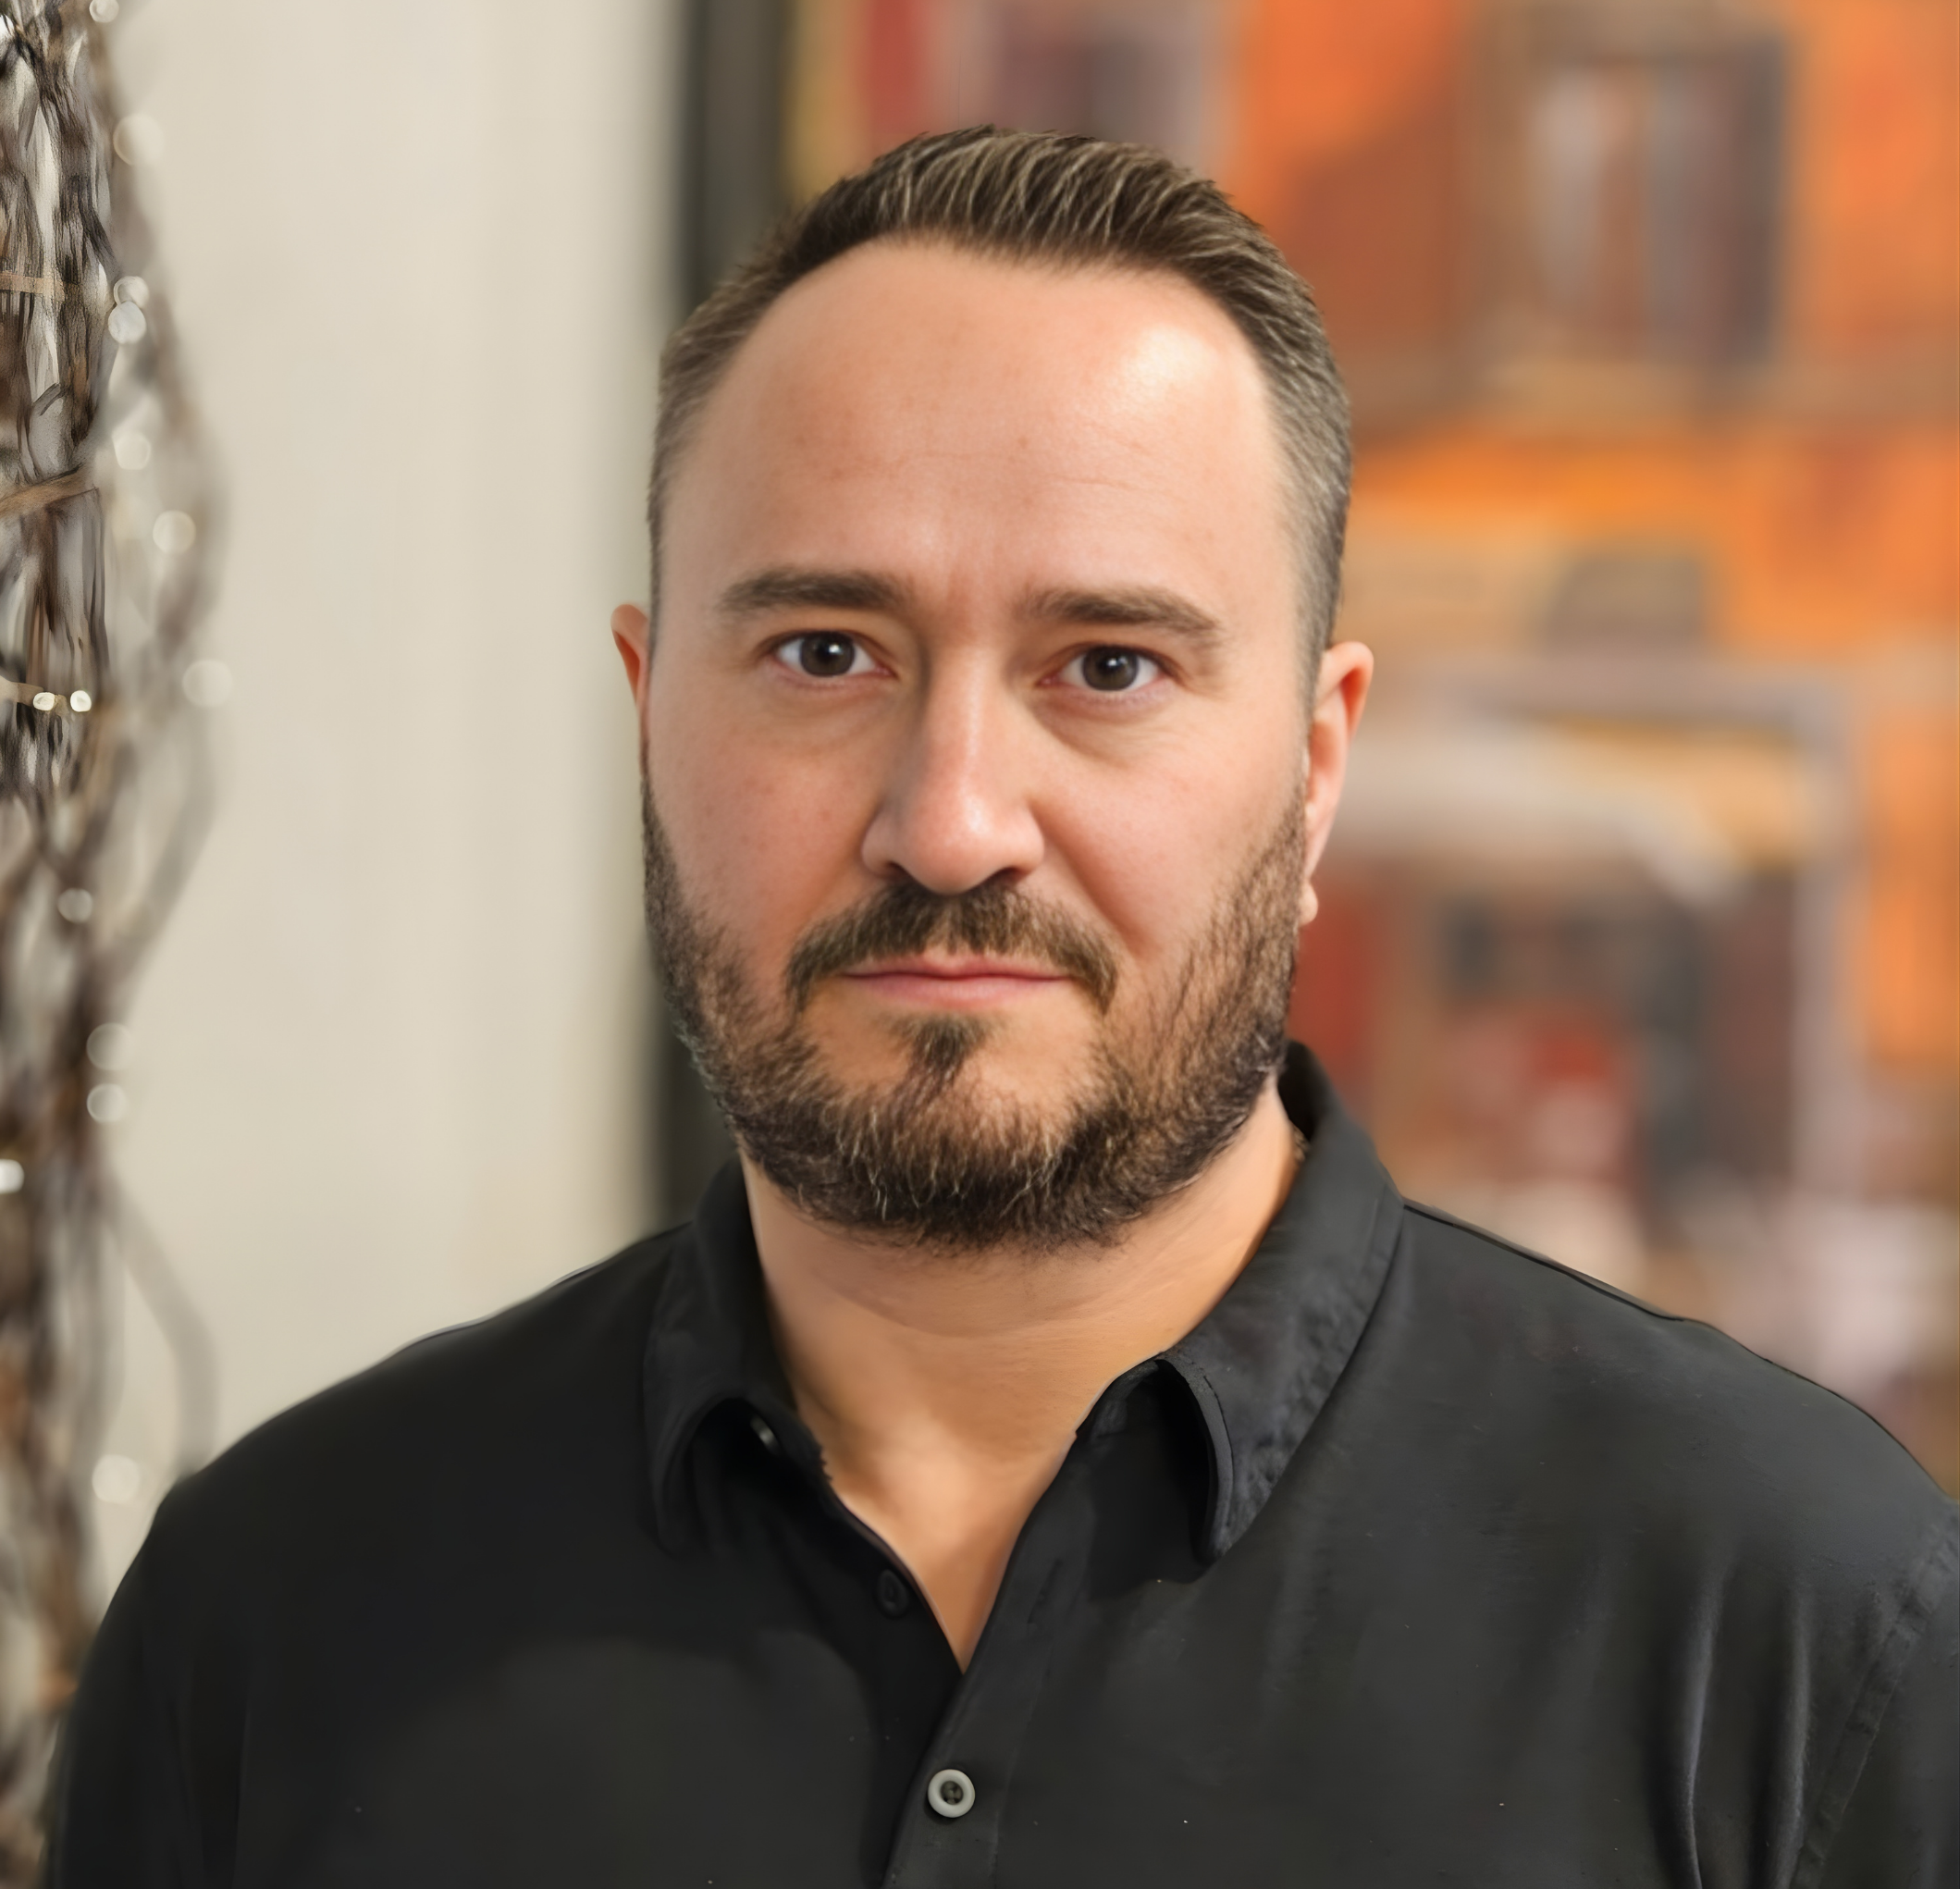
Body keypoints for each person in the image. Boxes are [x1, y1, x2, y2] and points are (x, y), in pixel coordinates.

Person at [49, 129, 1955, 1887]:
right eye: (825, 651)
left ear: (1313, 770)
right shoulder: (276, 1615)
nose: (952, 822)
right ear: (647, 717)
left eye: (1106, 666)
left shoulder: (1795, 1624)